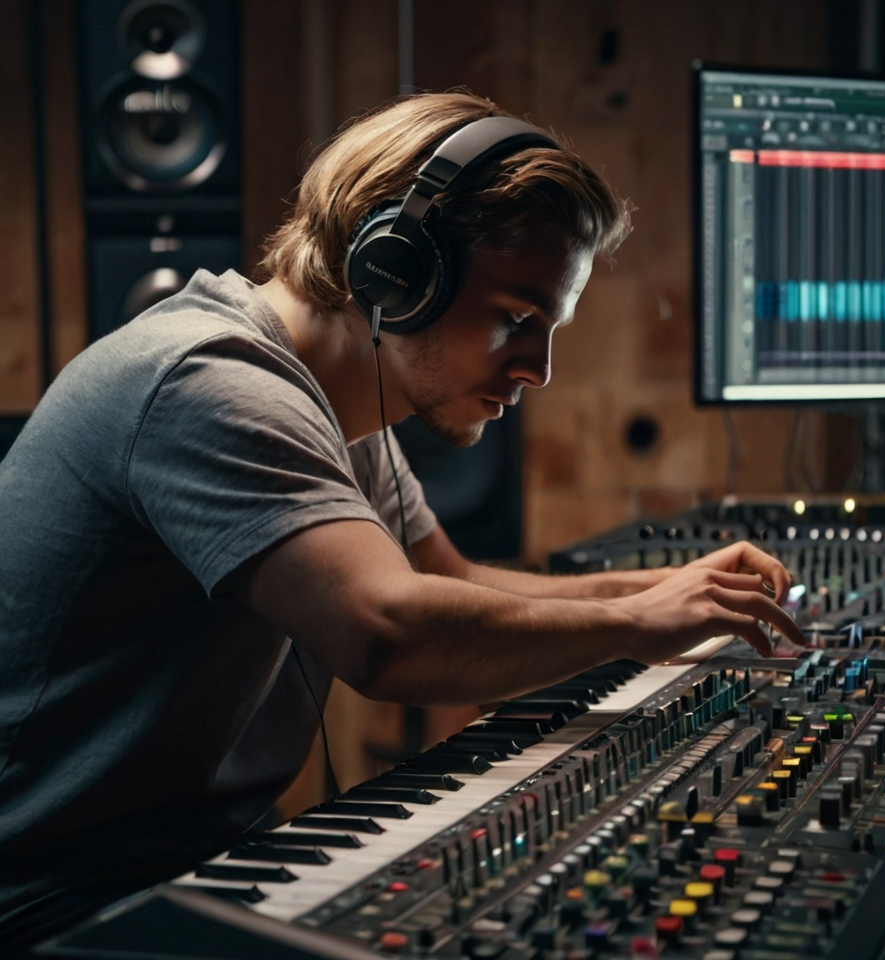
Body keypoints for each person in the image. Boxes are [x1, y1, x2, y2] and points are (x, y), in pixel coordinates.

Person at [0, 92, 804, 950]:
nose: (538, 369)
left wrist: (667, 591)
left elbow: (443, 584)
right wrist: (632, 624)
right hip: (55, 900)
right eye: (516, 321)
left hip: (200, 860)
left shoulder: (341, 403)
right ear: (395, 271)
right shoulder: (209, 384)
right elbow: (386, 631)